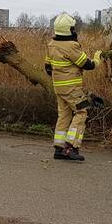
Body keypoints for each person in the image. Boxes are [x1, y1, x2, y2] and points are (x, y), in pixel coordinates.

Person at [44, 13, 100, 161]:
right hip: (72, 90)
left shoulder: (51, 45)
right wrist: (98, 57)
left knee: (64, 115)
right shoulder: (71, 46)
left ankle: (59, 149)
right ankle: (71, 147)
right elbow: (88, 64)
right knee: (82, 112)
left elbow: (48, 68)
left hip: (59, 89)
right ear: (69, 29)